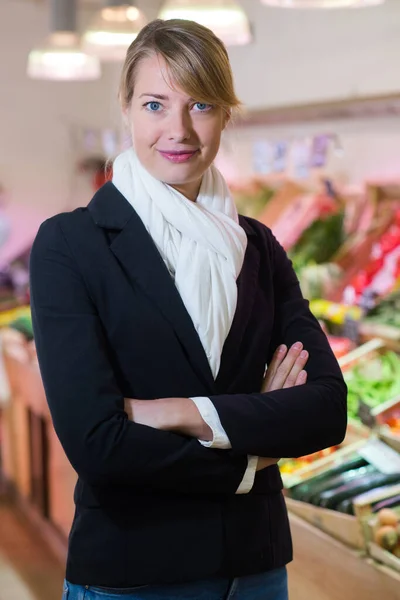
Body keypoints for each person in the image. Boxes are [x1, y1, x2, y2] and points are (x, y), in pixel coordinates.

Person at [29, 19, 347, 600]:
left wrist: (174, 412)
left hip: (254, 570)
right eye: (155, 104)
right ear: (125, 108)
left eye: (200, 104)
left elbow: (326, 411)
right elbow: (97, 445)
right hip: (133, 573)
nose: (177, 129)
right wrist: (253, 451)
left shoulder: (259, 246)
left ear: (226, 114)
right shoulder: (71, 245)